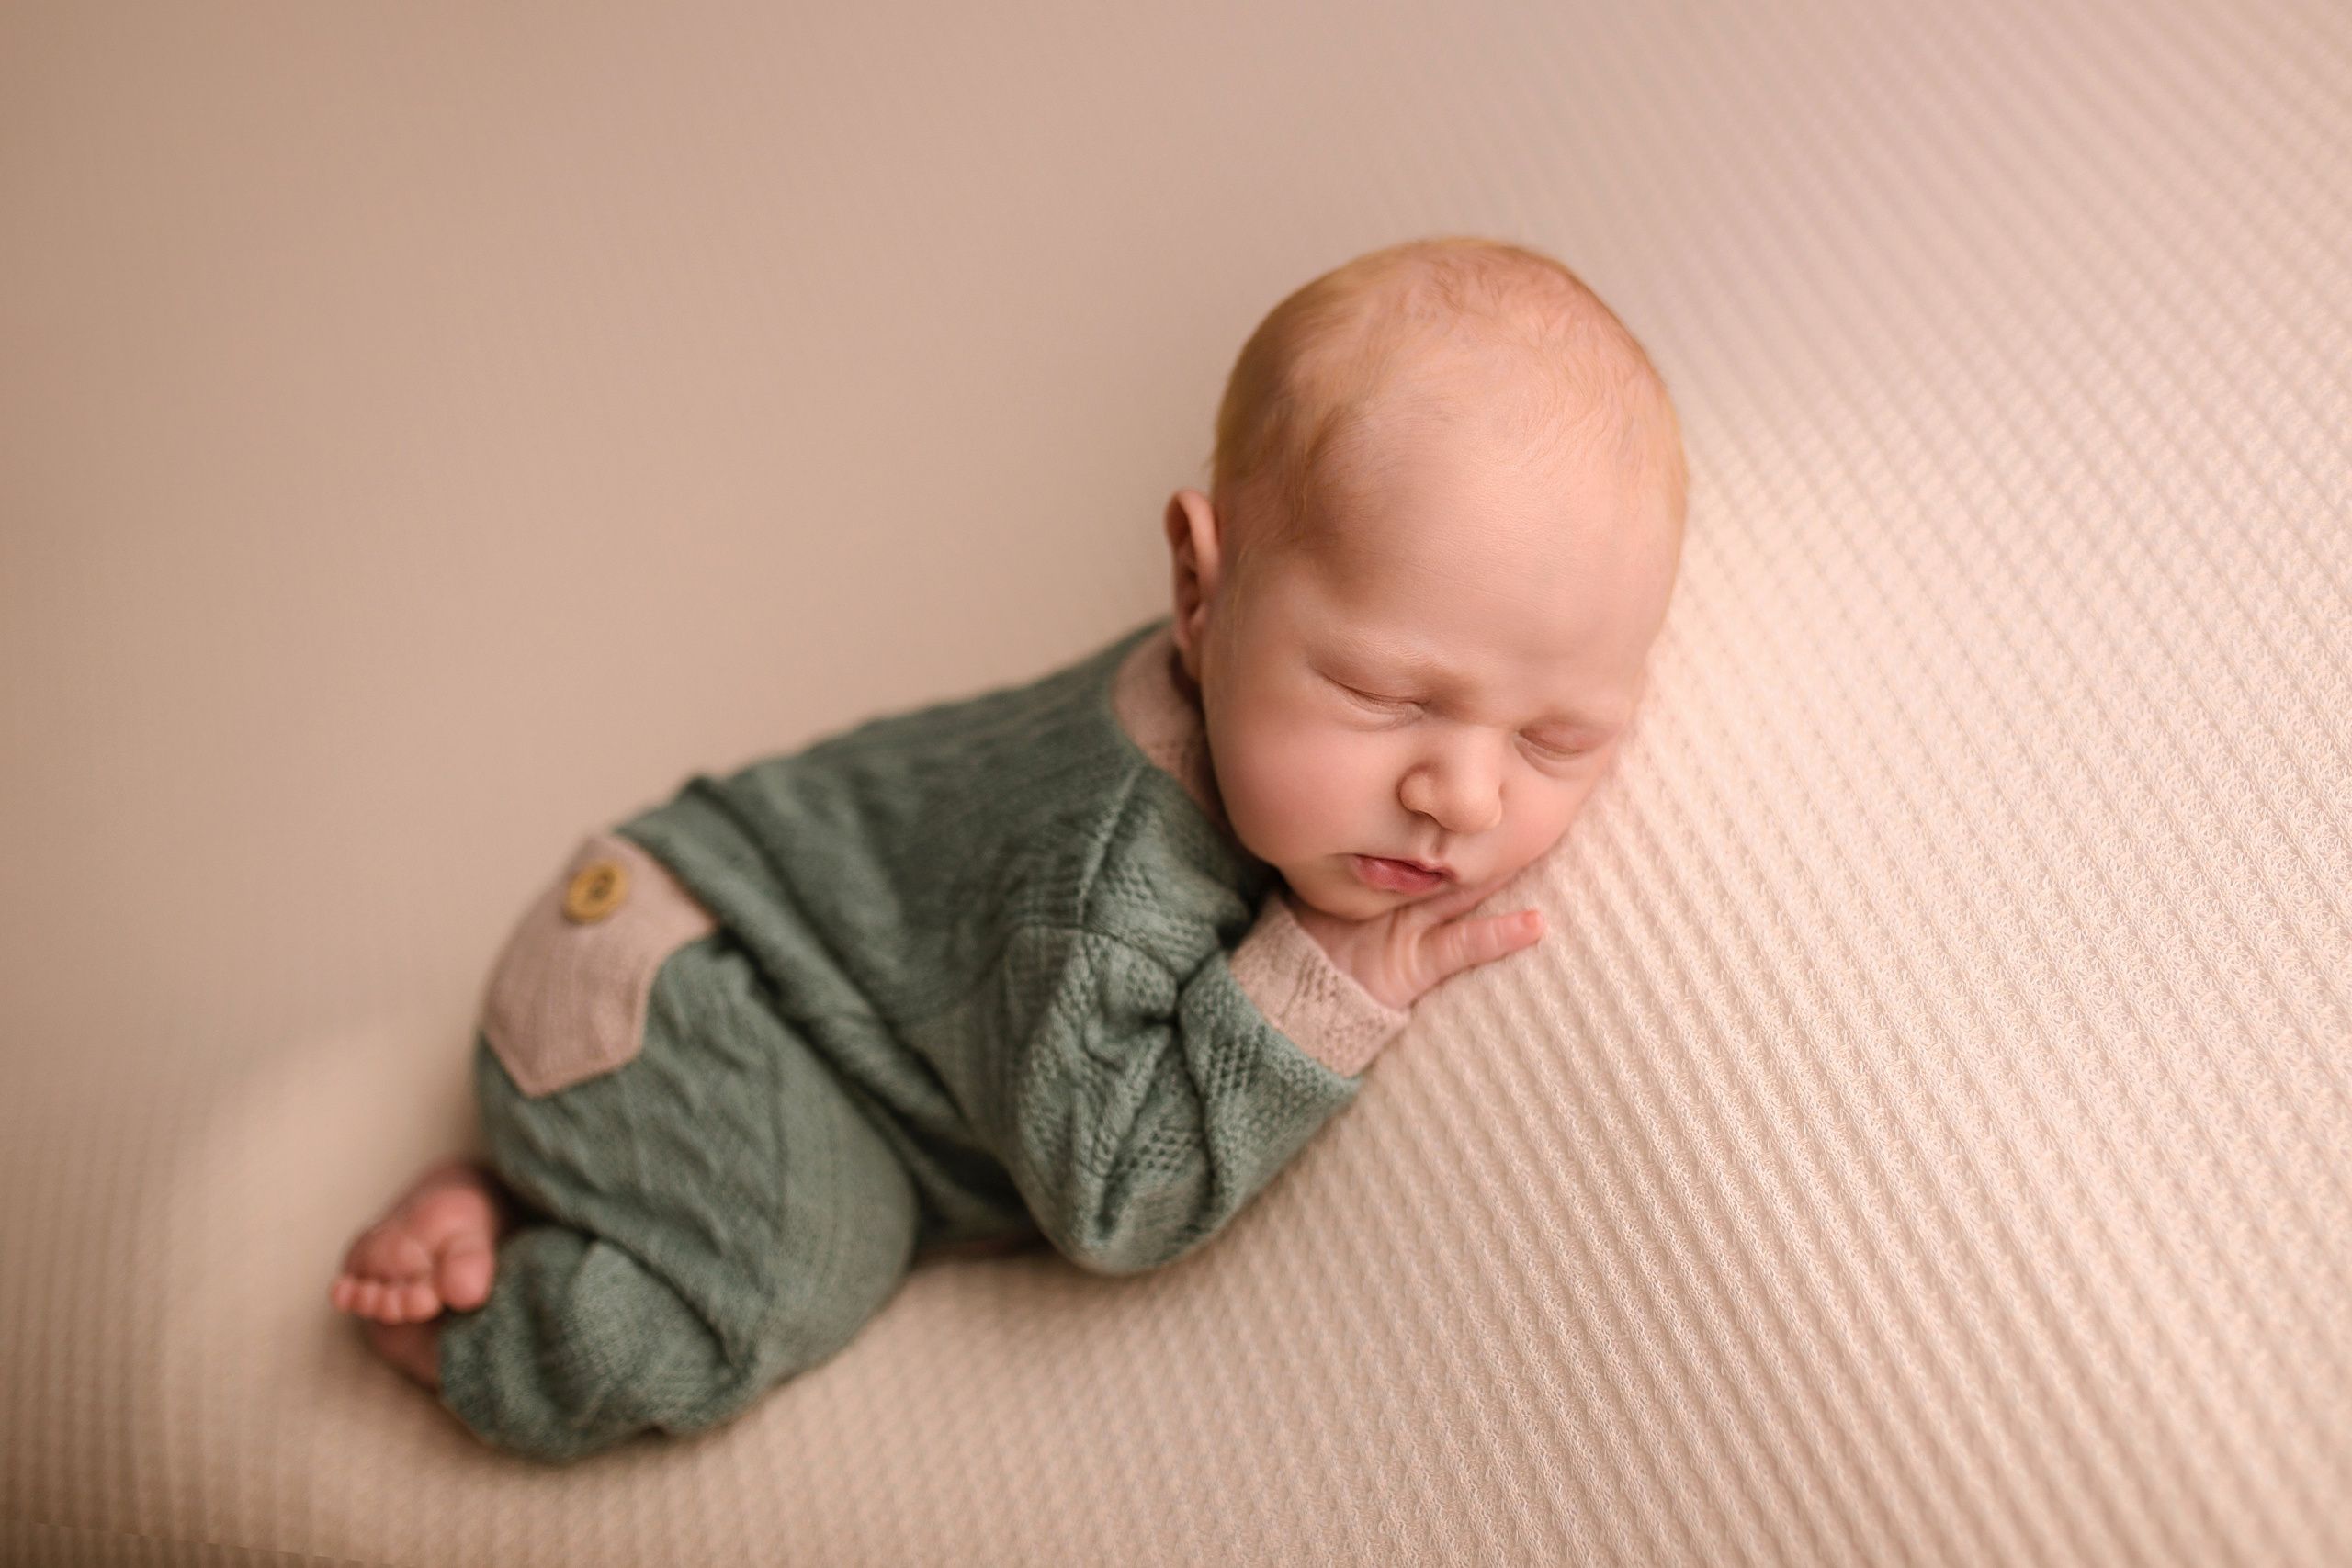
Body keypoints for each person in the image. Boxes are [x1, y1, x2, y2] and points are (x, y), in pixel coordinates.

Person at [329, 236, 1688, 1461]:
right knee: (790, 1275)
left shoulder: (1256, 710)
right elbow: (1111, 1201)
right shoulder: (1109, 883)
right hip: (684, 976)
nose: (1459, 791)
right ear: (1201, 595)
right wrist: (1323, 981)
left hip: (752, 1008)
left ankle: (559, 1181)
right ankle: (476, 1316)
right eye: (1391, 697)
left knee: (835, 1197)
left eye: (1557, 741)